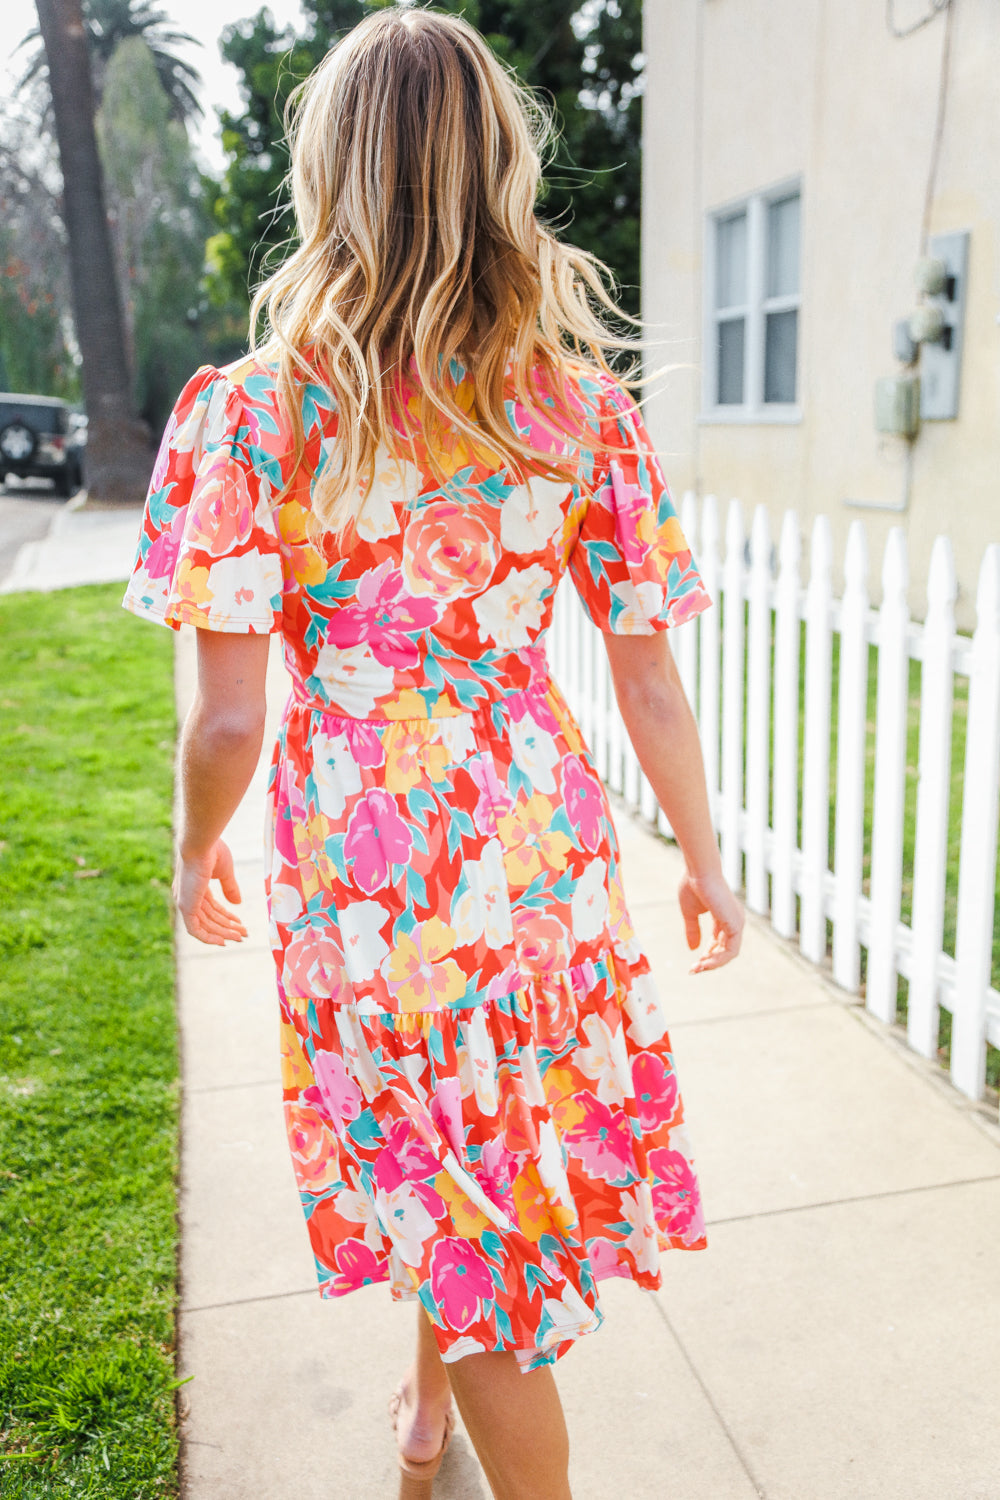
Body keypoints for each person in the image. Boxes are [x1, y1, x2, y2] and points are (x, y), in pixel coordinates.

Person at [123, 9, 743, 1497]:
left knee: (454, 1185)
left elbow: (223, 718)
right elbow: (650, 681)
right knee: (480, 1149)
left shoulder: (260, 412)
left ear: (333, 171)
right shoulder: (577, 411)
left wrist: (196, 839)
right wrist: (703, 858)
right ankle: (423, 1419)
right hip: (534, 832)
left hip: (372, 862)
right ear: (497, 170)